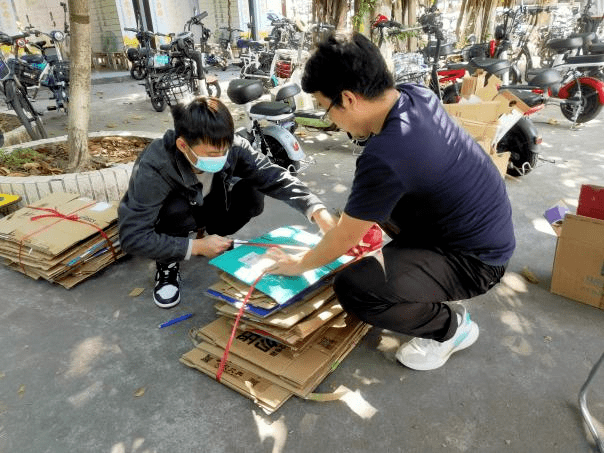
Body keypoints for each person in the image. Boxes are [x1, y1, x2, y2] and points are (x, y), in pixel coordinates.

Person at [264, 33, 515, 371]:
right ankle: (415, 274)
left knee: (354, 288)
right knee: (364, 210)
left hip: (476, 261)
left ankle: (451, 328)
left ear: (349, 99)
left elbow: (344, 237)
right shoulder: (415, 95)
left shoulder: (387, 156)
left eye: (326, 109)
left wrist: (300, 264)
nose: (331, 120)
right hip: (476, 228)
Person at [118, 96, 335, 309]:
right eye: (213, 153)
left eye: (225, 150)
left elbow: (272, 175)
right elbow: (132, 236)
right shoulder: (155, 166)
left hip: (208, 204)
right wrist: (195, 246)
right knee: (176, 210)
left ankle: (215, 237)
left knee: (252, 193)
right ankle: (168, 260)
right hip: (175, 216)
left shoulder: (232, 145)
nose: (221, 156)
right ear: (183, 145)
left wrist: (316, 210)